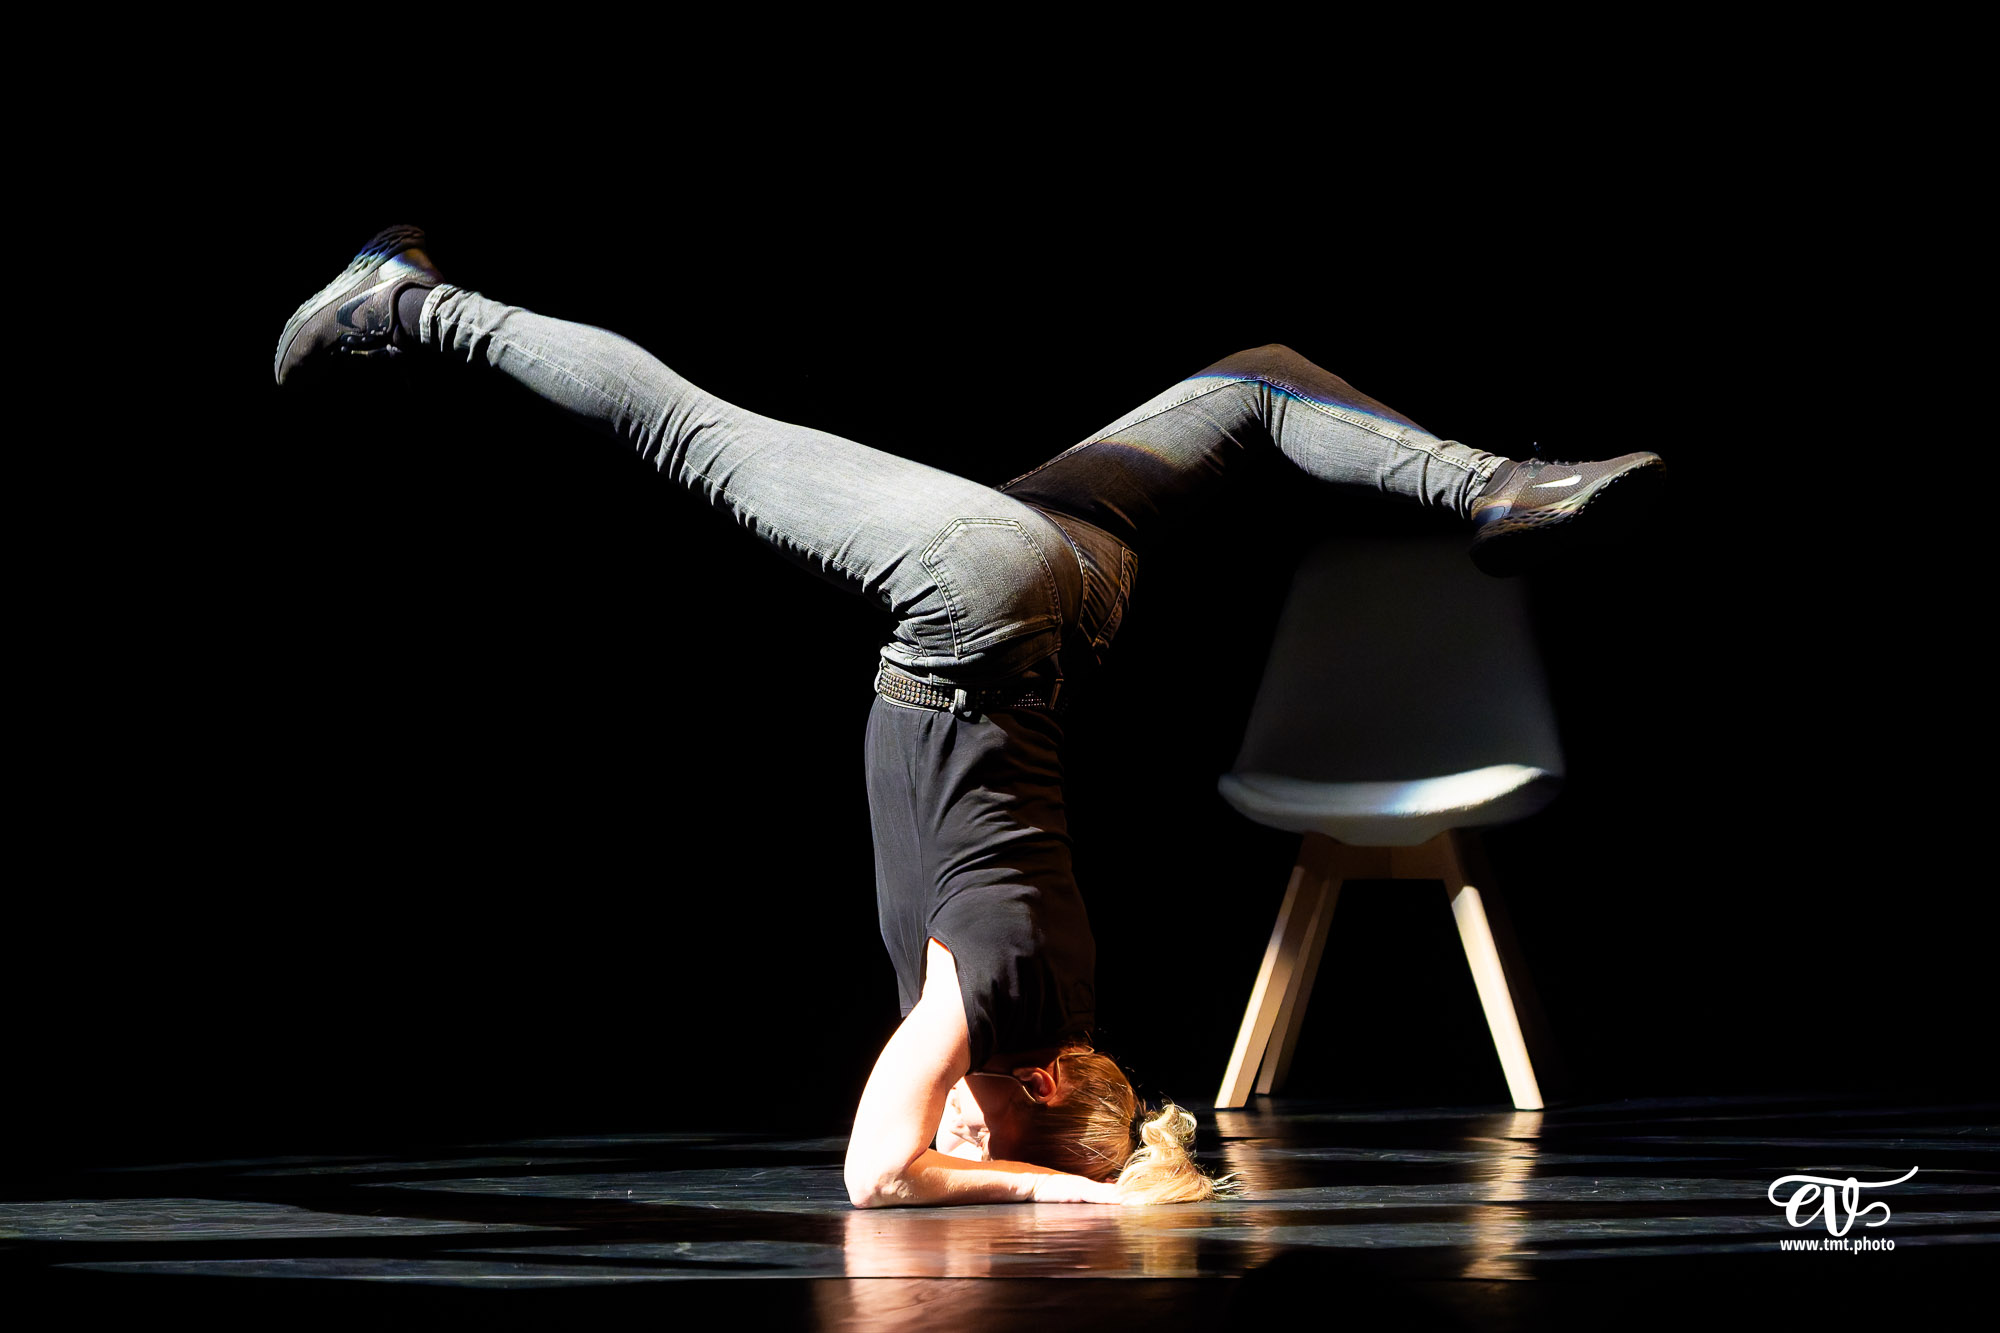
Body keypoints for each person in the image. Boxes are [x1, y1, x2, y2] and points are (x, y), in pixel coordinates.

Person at [274, 227, 1664, 1208]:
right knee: (682, 429)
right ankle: (405, 301)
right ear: (1050, 1075)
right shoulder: (995, 999)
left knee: (1251, 384)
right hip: (972, 601)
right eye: (997, 1125)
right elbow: (879, 1172)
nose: (956, 1121)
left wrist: (1071, 1167)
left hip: (1068, 596)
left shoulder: (1051, 994)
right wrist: (1061, 1203)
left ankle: (1490, 484)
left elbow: (946, 1136)